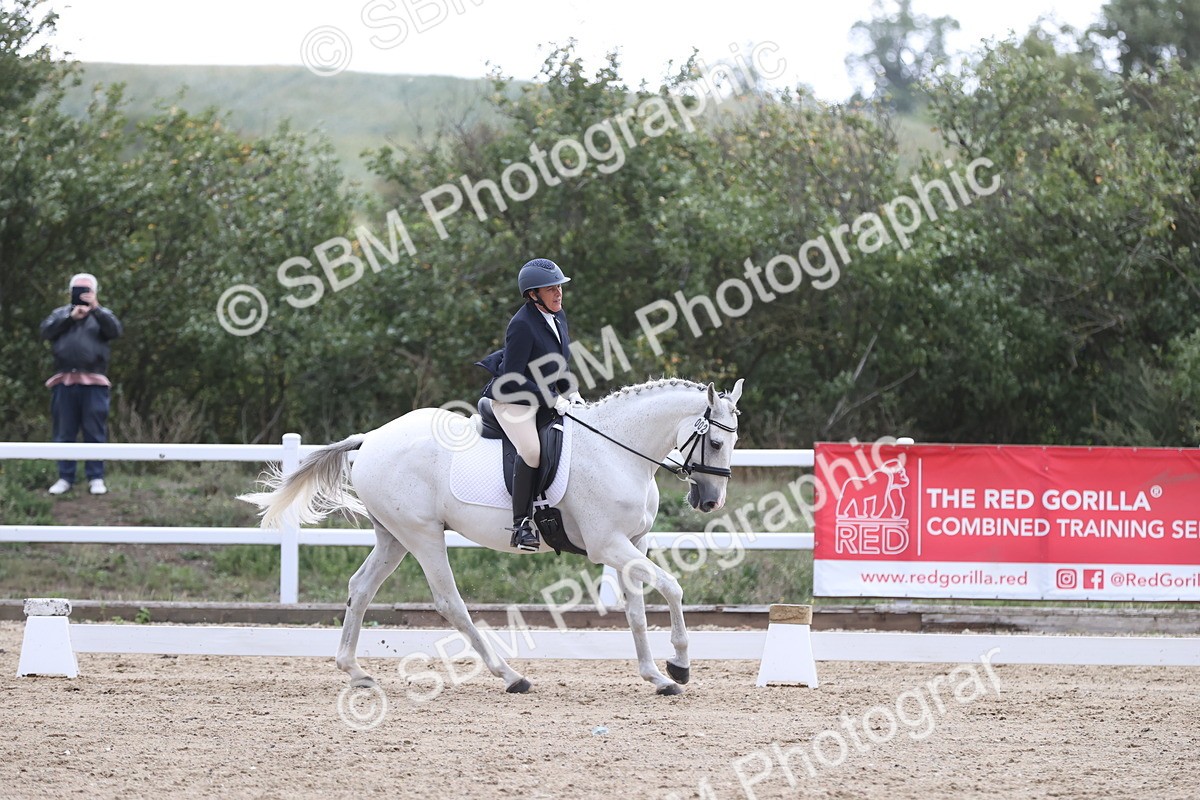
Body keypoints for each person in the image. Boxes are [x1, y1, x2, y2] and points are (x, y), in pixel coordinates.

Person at [480, 258, 584, 551]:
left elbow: (559, 366)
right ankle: (522, 524)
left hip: (542, 395)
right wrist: (553, 399)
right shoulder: (521, 325)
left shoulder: (558, 317)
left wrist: (570, 391)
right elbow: (512, 378)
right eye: (550, 289)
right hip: (512, 399)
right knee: (532, 452)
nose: (558, 294)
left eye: (559, 288)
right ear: (532, 294)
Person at [40, 273, 123, 495]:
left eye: (87, 290)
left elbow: (115, 331)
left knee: (94, 432)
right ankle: (65, 477)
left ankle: (95, 477)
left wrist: (95, 308)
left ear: (95, 292)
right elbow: (45, 331)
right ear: (70, 292)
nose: (82, 293)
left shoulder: (103, 315)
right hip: (64, 383)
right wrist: (70, 318)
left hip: (94, 383)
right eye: (78, 289)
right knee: (64, 432)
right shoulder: (60, 314)